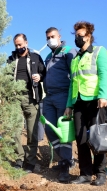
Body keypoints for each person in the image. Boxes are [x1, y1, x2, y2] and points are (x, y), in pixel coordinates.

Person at [65, 21, 107, 186]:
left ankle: (100, 172)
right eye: (76, 35)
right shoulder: (75, 59)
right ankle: (85, 173)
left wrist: (103, 96)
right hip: (78, 102)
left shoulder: (99, 52)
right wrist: (69, 105)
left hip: (95, 101)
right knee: (80, 137)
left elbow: (104, 75)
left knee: (98, 137)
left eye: (80, 35)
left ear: (89, 36)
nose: (77, 38)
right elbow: (72, 84)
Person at [7, 33, 46, 173]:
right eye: (16, 45)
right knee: (15, 130)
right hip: (15, 98)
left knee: (32, 131)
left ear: (26, 43)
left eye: (20, 45)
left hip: (31, 97)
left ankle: (30, 161)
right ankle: (19, 158)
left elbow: (44, 73)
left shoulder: (35, 57)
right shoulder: (11, 59)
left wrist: (39, 77)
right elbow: (5, 77)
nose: (18, 47)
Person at [42, 27, 77, 183]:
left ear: (59, 36)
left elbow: (74, 75)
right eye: (48, 37)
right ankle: (65, 159)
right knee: (49, 129)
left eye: (53, 36)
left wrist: (70, 102)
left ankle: (65, 167)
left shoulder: (68, 51)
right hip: (48, 97)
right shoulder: (48, 56)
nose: (50, 39)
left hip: (63, 95)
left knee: (64, 133)